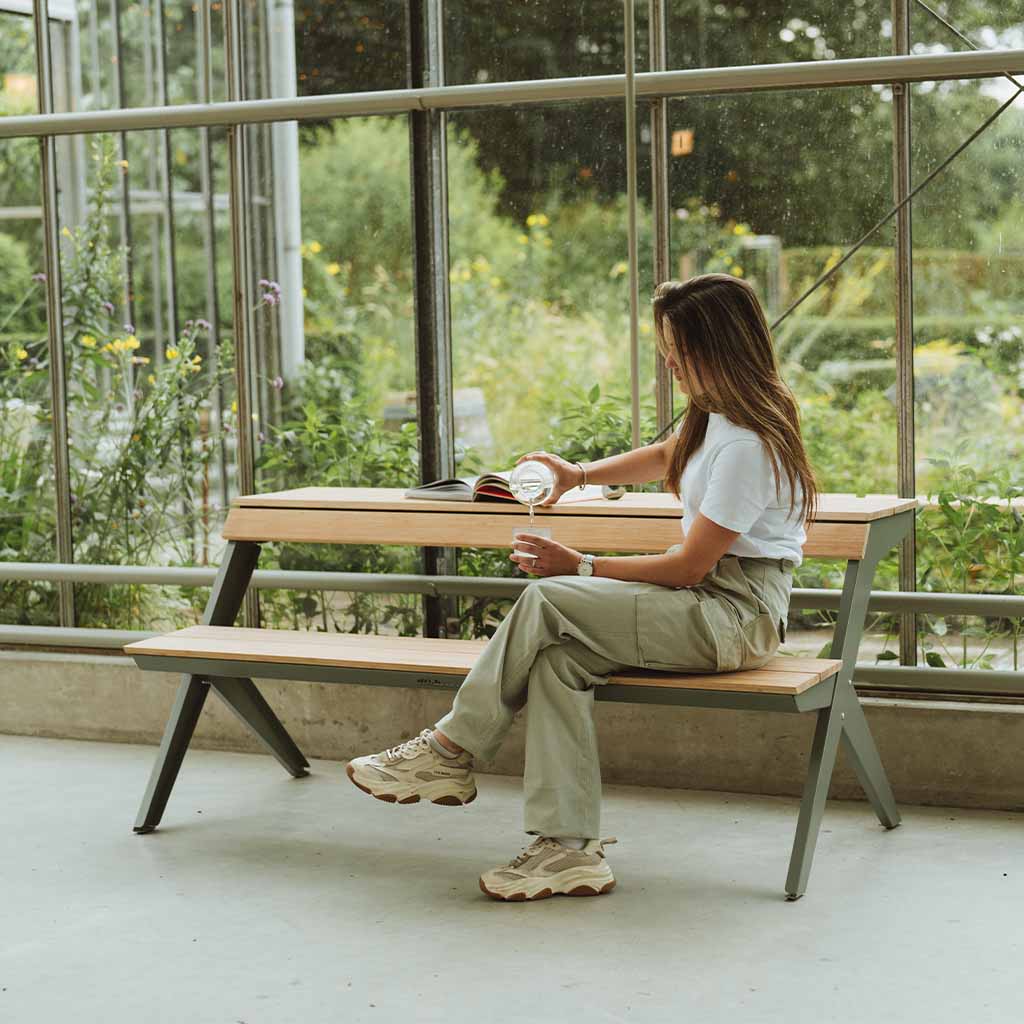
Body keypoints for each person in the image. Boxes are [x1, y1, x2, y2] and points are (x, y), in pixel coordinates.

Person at [346, 274, 820, 902]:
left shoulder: (750, 445)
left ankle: (450, 748)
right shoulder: (718, 418)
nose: (670, 361)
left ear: (719, 346)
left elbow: (688, 568)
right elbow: (664, 456)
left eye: (681, 347)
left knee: (548, 597)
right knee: (558, 663)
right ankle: (568, 851)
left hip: (736, 616)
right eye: (667, 346)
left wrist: (582, 565)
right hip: (702, 608)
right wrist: (576, 475)